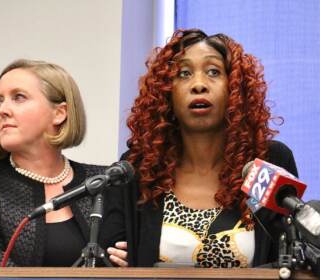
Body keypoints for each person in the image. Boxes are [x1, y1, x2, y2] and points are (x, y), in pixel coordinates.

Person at [104, 29, 298, 268]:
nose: (198, 85)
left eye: (213, 72)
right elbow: (111, 255)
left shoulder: (268, 161)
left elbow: (290, 252)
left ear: (235, 89)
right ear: (166, 92)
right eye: (184, 73)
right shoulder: (139, 169)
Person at [0, 59, 123, 279]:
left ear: (60, 113)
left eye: (19, 97)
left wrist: (130, 260)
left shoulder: (106, 181)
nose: (2, 111)